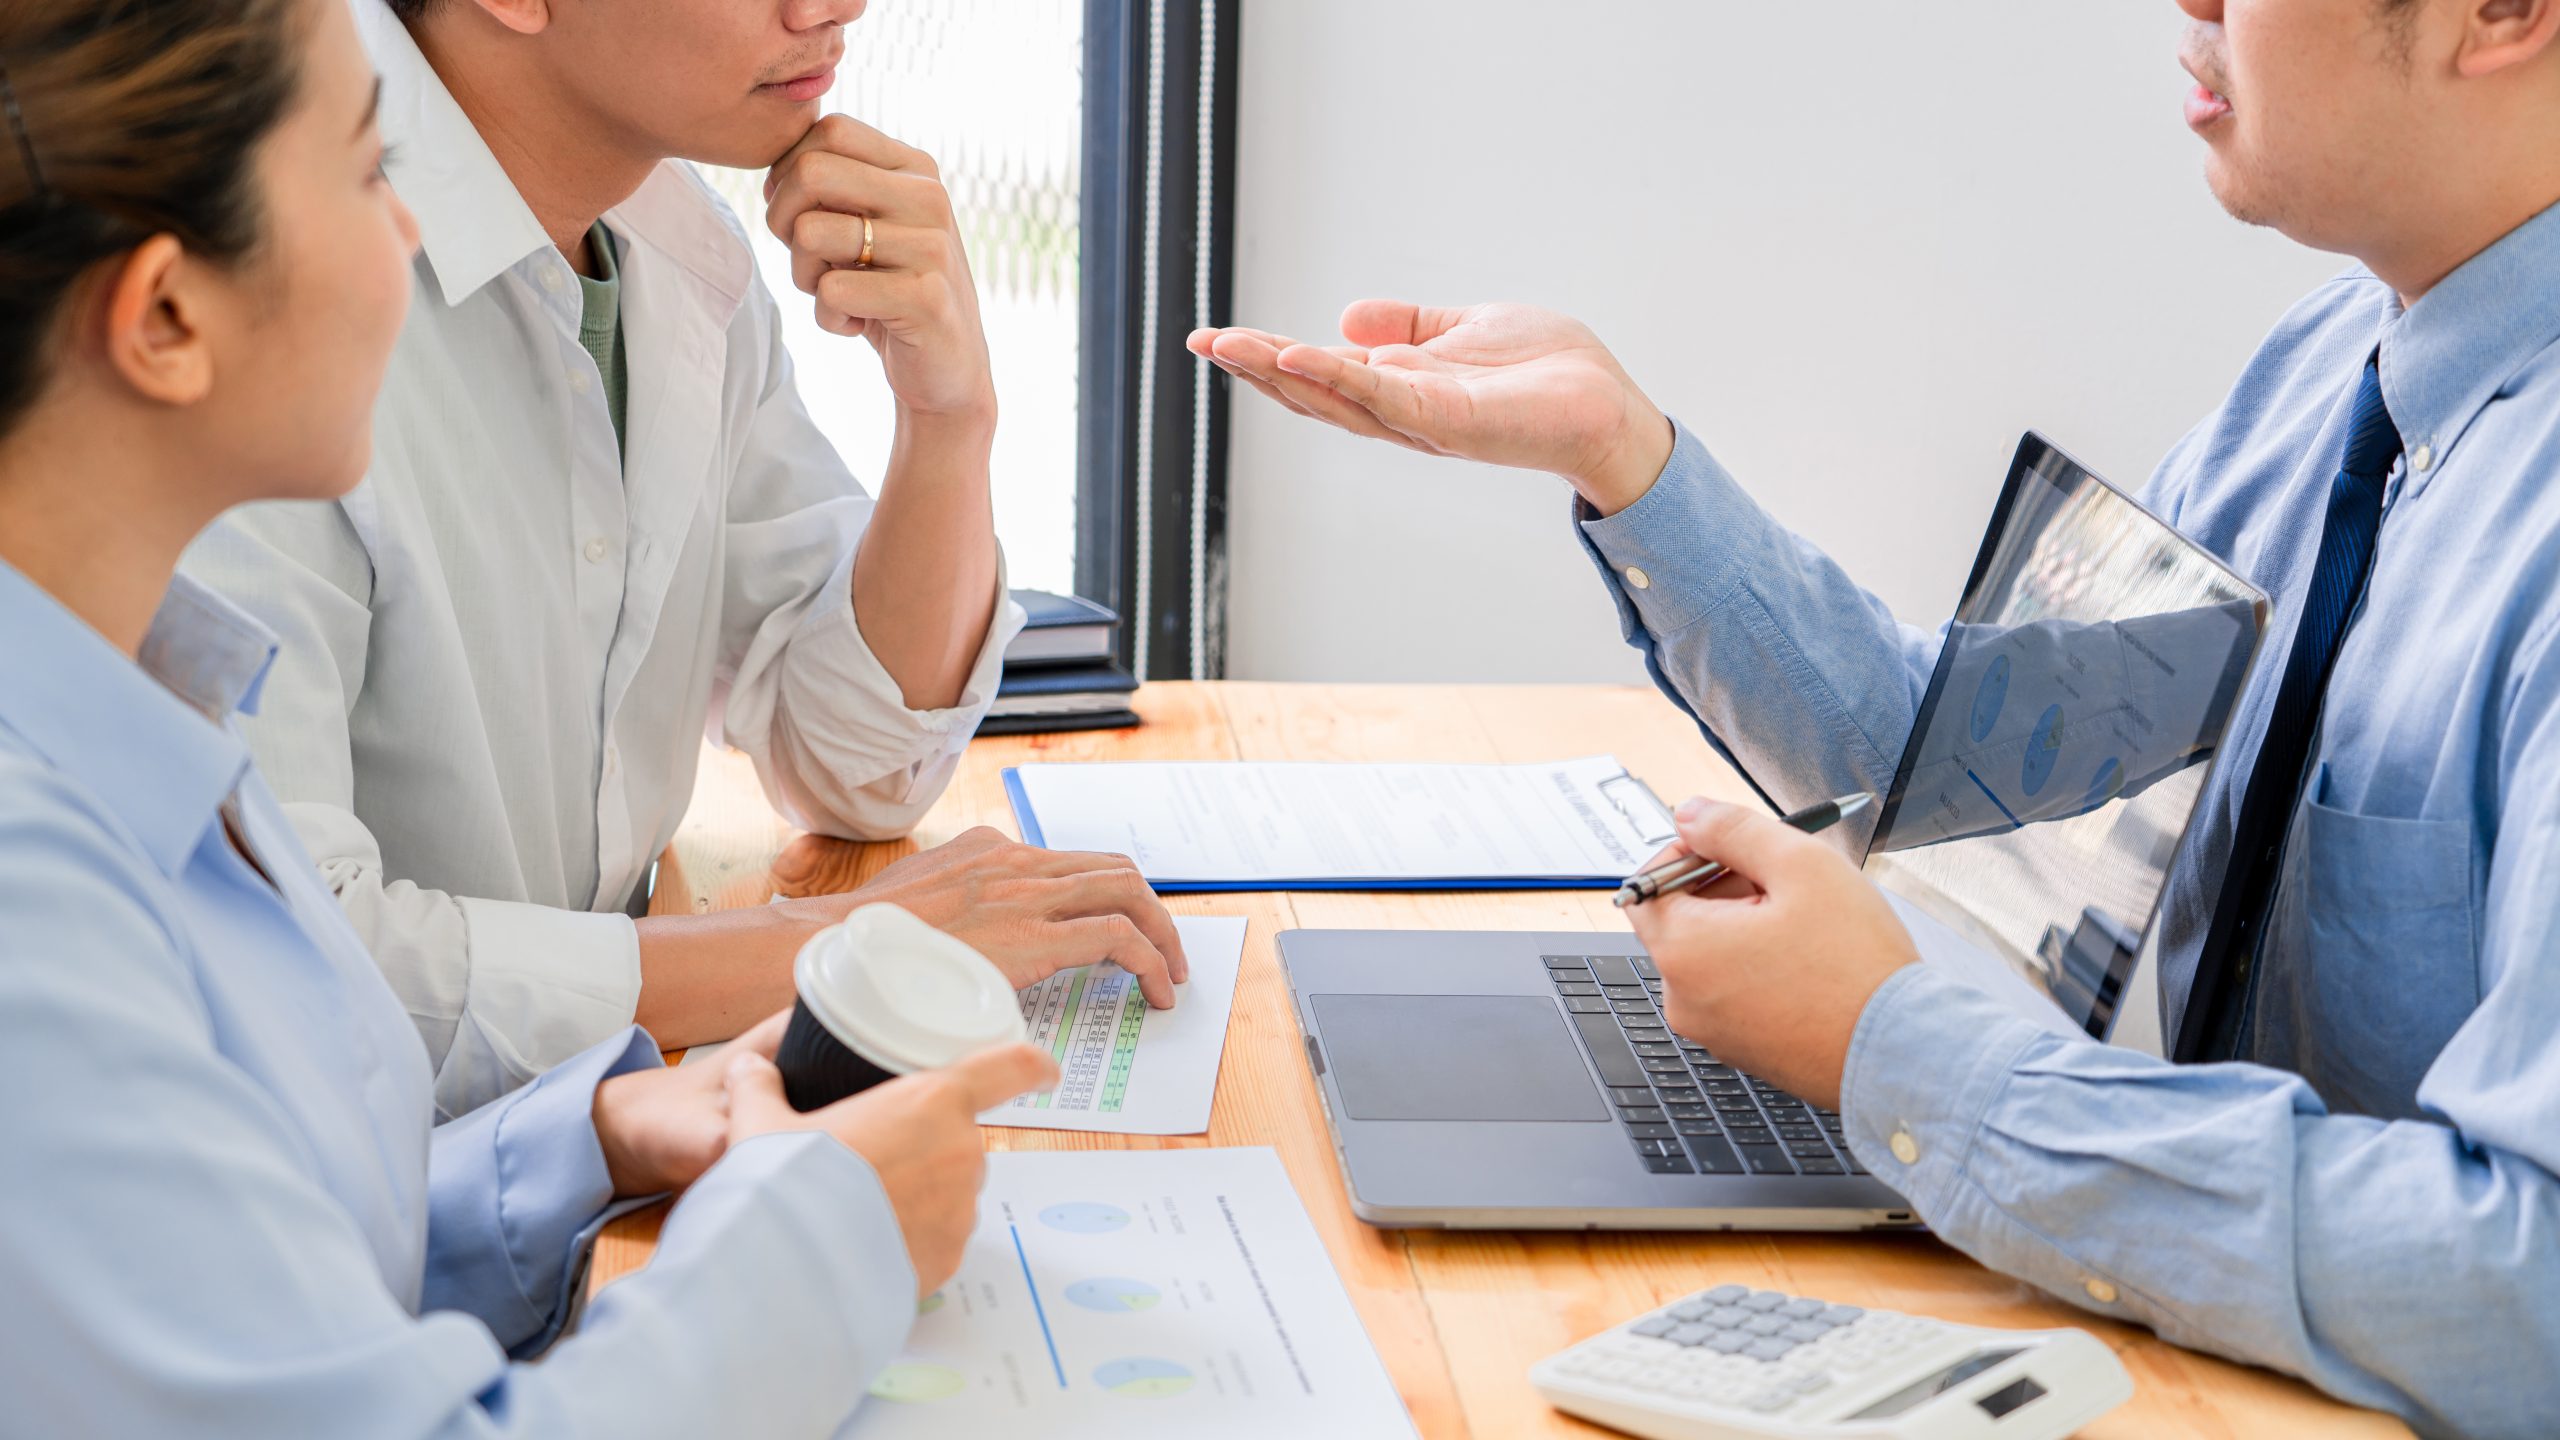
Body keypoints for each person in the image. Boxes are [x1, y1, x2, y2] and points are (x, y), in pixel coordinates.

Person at [1191, 0, 2560, 1433]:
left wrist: (1889, 1046)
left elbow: (2523, 1290)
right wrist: (1622, 454)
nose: (2192, 5)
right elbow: (1968, 747)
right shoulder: (2325, 366)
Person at [0, 0, 1056, 1430]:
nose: (422, 230)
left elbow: (251, 1263)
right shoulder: (34, 897)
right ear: (171, 316)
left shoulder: (156, 702)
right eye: (377, 171)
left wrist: (596, 1134)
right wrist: (833, 1236)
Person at [177, 0, 1185, 1118]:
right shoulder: (232, 286)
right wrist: (840, 941)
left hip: (583, 1133)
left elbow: (855, 764)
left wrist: (949, 415)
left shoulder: (667, 238)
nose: (836, 7)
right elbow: (294, 969)